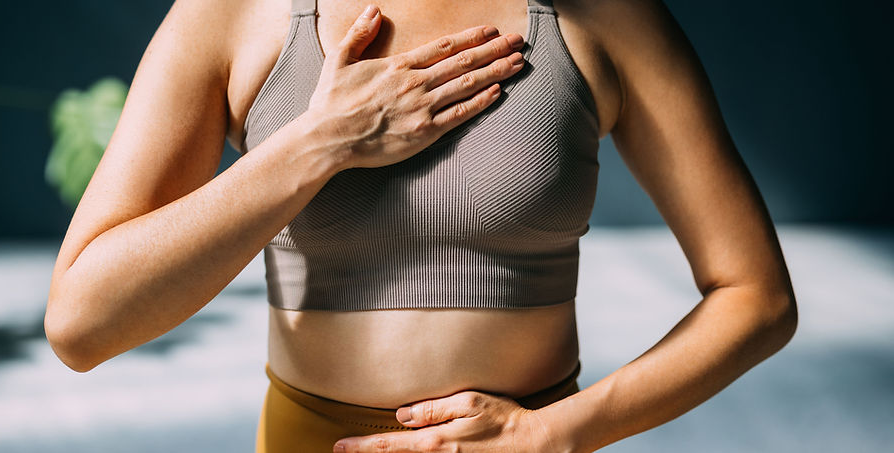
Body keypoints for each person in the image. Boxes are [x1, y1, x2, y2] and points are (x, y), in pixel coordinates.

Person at [43, 0, 798, 451]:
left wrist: (559, 432)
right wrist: (319, 142)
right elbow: (82, 323)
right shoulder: (234, 14)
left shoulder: (603, 16)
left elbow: (756, 296)